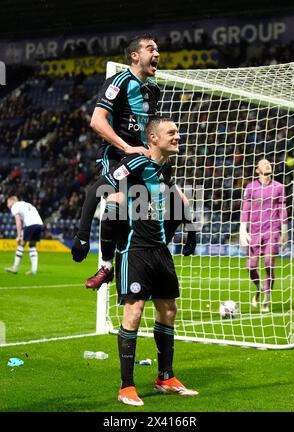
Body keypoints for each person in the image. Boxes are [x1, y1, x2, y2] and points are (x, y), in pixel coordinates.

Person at [76, 117, 198, 406]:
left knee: (169, 309)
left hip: (160, 249)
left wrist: (189, 226)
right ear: (153, 139)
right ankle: (126, 386)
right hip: (135, 249)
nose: (178, 136)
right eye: (172, 132)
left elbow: (176, 198)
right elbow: (99, 189)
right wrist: (84, 234)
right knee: (135, 311)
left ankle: (165, 378)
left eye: (177, 131)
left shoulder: (165, 168)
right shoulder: (135, 162)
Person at [72, 34, 196, 288]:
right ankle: (106, 267)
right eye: (151, 48)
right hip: (118, 156)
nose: (157, 54)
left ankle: (160, 250)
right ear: (135, 55)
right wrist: (128, 148)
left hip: (145, 158)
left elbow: (153, 131)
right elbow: (97, 121)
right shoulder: (119, 81)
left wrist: (191, 229)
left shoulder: (154, 89)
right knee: (116, 203)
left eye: (158, 49)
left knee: (179, 203)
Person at [239, 158, 288, 312]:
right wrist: (242, 229)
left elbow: (282, 209)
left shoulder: (279, 187)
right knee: (251, 267)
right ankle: (259, 287)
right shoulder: (251, 187)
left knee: (268, 263)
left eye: (269, 163)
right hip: (254, 231)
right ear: (257, 170)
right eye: (264, 163)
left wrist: (285, 229)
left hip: (272, 231)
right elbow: (245, 209)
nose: (268, 164)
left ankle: (266, 298)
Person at [5, 196, 44, 275]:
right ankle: (33, 270)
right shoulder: (25, 204)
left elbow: (18, 221)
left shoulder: (15, 206)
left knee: (21, 245)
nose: (7, 205)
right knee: (32, 246)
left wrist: (19, 236)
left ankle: (15, 268)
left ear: (12, 201)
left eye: (8, 202)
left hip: (30, 224)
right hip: (39, 224)